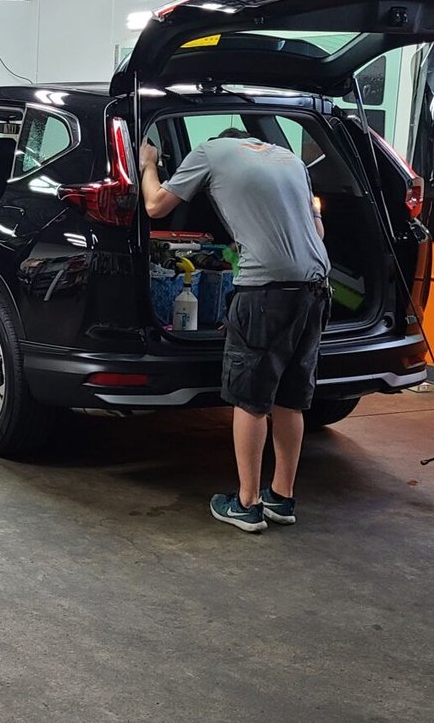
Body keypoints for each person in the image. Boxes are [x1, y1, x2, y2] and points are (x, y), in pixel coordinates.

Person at [139, 128, 329, 534]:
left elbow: (155, 206)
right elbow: (319, 232)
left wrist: (149, 164)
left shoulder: (210, 151)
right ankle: (282, 497)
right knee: (290, 398)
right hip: (316, 288)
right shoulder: (288, 159)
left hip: (265, 290)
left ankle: (247, 503)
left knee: (250, 399)